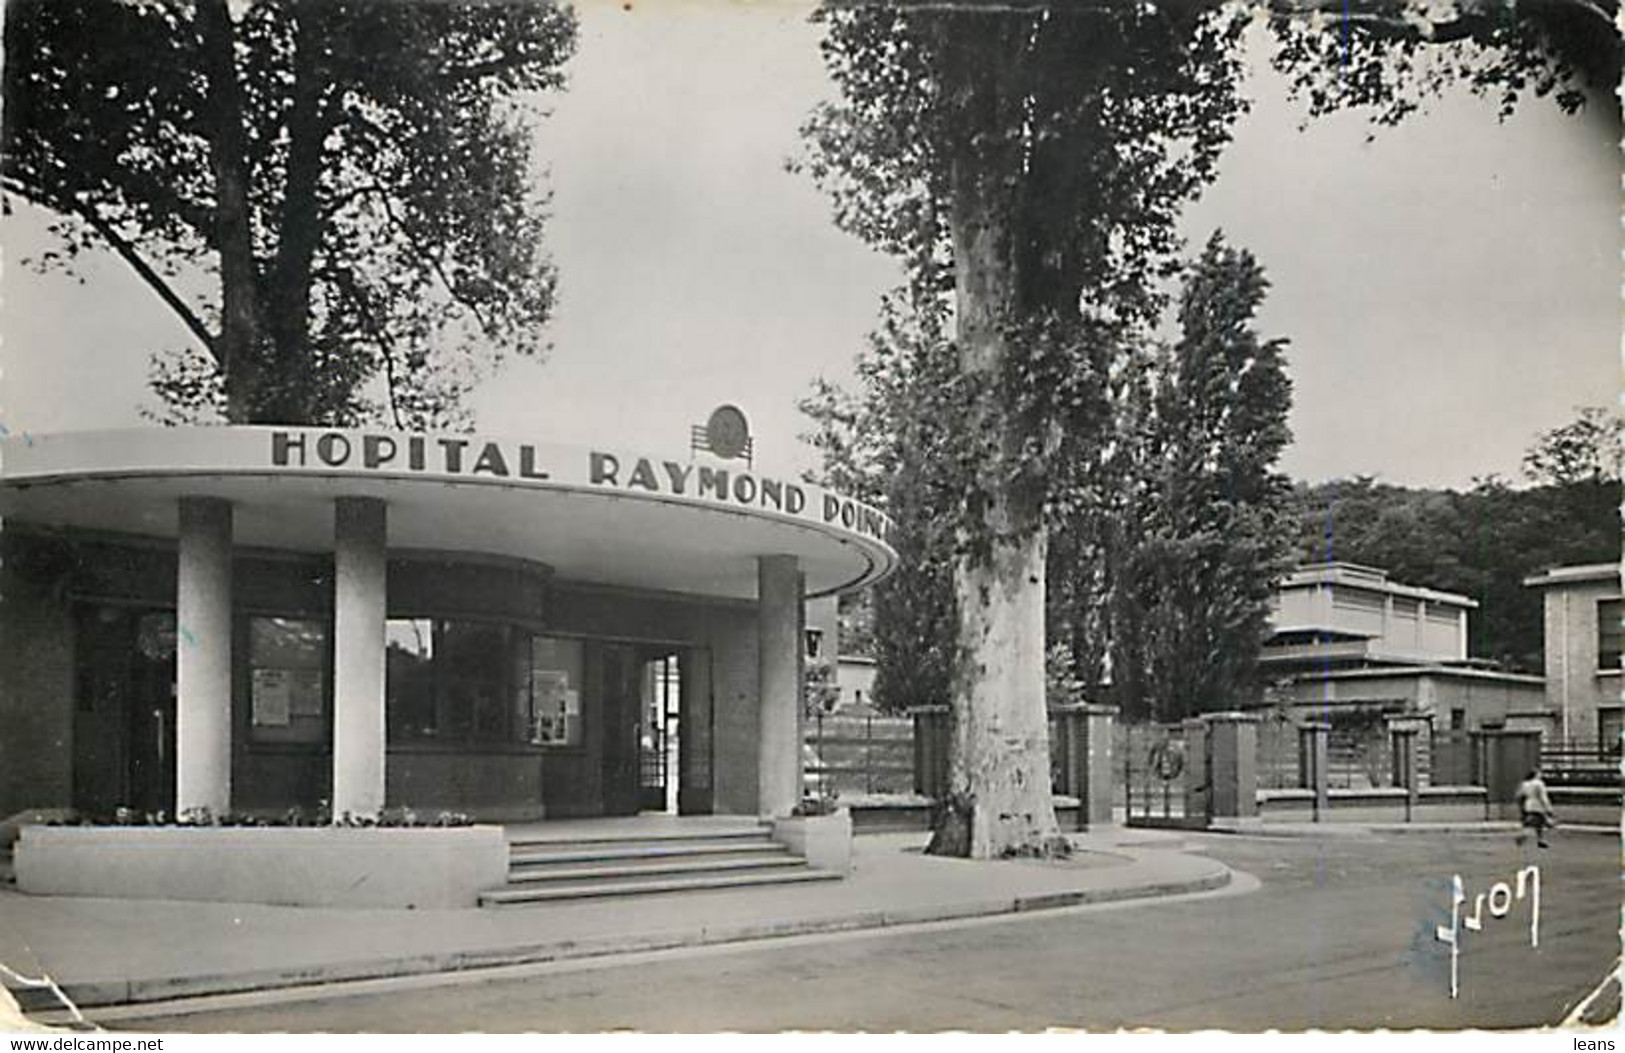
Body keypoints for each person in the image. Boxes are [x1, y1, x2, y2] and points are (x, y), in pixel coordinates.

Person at [1514, 768, 1556, 848]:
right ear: (1536, 775)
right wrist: (1548, 808)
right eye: (1539, 773)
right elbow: (1543, 797)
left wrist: (1522, 806)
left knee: (1538, 824)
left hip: (1528, 804)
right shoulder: (1539, 784)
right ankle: (1522, 837)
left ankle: (1540, 840)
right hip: (1538, 805)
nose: (1541, 775)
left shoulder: (1525, 784)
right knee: (1536, 823)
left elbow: (1519, 795)